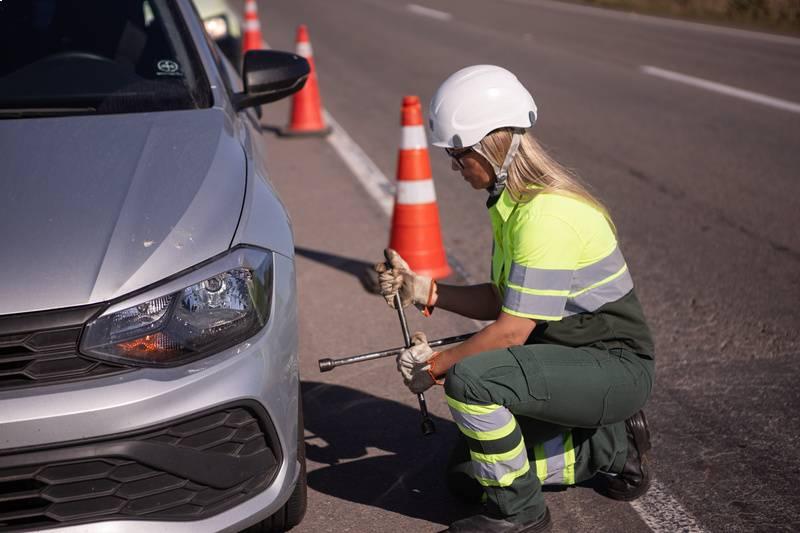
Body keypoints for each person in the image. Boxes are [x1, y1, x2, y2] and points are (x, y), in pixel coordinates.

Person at [375, 65, 655, 533]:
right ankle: (609, 446)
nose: (454, 166)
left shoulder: (546, 218)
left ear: (491, 146)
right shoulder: (513, 205)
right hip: (569, 354)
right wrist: (422, 290)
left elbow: (510, 333)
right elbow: (503, 300)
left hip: (613, 365)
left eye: (458, 154)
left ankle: (522, 515)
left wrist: (435, 366)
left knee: (471, 381)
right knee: (467, 477)